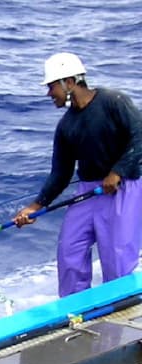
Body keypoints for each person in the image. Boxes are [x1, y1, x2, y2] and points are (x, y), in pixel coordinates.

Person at [12, 52, 142, 297]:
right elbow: (61, 173)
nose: (49, 93)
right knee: (69, 252)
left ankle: (121, 308)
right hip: (88, 191)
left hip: (123, 188)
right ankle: (75, 310)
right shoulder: (66, 125)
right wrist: (35, 206)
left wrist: (118, 171)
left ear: (69, 82)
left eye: (52, 86)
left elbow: (140, 136)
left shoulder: (114, 101)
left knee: (117, 258)